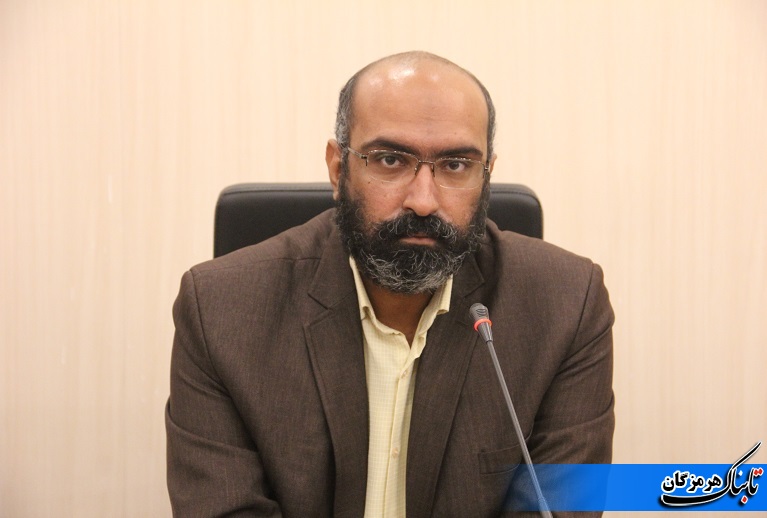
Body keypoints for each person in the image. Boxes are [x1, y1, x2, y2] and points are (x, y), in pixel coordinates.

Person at [166, 51, 614, 517]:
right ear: (338, 169)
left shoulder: (568, 307)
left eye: (456, 165)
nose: (423, 201)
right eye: (390, 160)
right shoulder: (220, 311)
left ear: (487, 177)